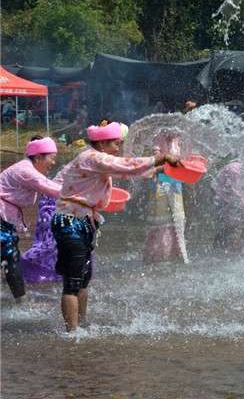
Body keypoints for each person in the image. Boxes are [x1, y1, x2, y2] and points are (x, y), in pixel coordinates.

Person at [54, 122, 178, 331]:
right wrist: (161, 157)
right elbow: (127, 165)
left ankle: (80, 324)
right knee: (73, 281)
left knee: (84, 277)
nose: (119, 149)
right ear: (102, 143)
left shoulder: (98, 160)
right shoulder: (91, 157)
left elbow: (125, 172)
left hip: (82, 220)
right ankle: (71, 334)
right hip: (70, 221)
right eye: (116, 144)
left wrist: (157, 169)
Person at [0, 137, 62, 302]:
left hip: (5, 218)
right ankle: (22, 301)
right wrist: (85, 194)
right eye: (51, 157)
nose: (54, 162)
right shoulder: (26, 171)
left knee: (9, 256)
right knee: (10, 256)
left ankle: (18, 296)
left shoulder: (28, 169)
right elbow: (52, 189)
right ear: (38, 157)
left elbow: (51, 184)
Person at [143, 130, 188, 265]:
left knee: (177, 220)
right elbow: (156, 161)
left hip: (175, 184)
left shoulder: (178, 137)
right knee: (162, 221)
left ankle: (176, 256)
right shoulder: (158, 137)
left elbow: (183, 159)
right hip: (160, 184)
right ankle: (159, 257)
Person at [211, 158, 244, 249]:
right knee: (227, 220)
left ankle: (229, 243)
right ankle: (219, 245)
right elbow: (237, 194)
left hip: (228, 193)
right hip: (218, 193)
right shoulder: (235, 171)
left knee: (235, 219)